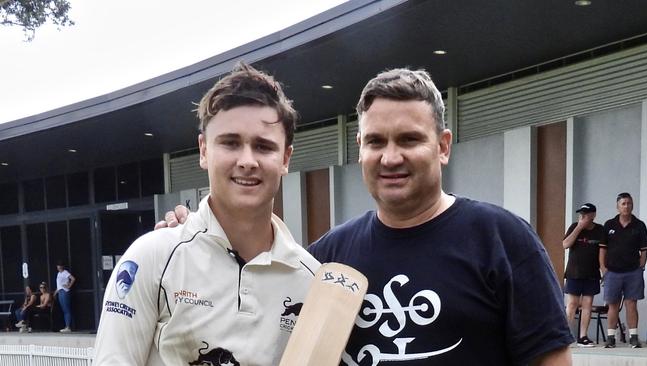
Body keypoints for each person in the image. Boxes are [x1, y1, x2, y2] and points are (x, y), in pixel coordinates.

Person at [162, 68, 574, 364]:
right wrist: (191, 238)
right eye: (376, 141)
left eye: (409, 139)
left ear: (443, 146)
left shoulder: (501, 240)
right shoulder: (324, 260)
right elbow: (245, 306)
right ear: (359, 148)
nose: (390, 157)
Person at [94, 63, 320, 365]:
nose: (247, 160)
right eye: (230, 143)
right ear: (203, 150)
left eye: (264, 147)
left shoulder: (311, 281)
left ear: (285, 158)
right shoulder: (152, 257)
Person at [599, 192, 647, 348]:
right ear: (618, 206)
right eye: (623, 203)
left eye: (629, 203)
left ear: (632, 205)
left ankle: (633, 336)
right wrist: (603, 269)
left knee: (631, 304)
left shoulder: (640, 225)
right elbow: (602, 249)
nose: (626, 206)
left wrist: (641, 267)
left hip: (633, 271)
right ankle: (611, 338)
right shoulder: (609, 225)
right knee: (612, 305)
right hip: (612, 272)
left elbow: (644, 250)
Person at [563, 203, 606, 347]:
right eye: (581, 213)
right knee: (572, 304)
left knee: (587, 304)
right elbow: (565, 244)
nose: (583, 216)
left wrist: (603, 270)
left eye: (586, 214)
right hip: (574, 272)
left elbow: (603, 250)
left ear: (593, 215)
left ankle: (583, 337)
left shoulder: (600, 230)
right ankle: (566, 336)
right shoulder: (574, 226)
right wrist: (579, 227)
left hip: (592, 273)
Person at [54, 261, 75, 333]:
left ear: (63, 266)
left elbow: (73, 278)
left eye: (60, 265)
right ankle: (66, 326)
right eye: (58, 265)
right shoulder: (58, 274)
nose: (59, 267)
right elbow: (59, 284)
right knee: (64, 309)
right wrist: (55, 292)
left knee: (66, 309)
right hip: (60, 291)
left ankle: (68, 326)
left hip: (64, 291)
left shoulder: (65, 272)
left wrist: (69, 285)